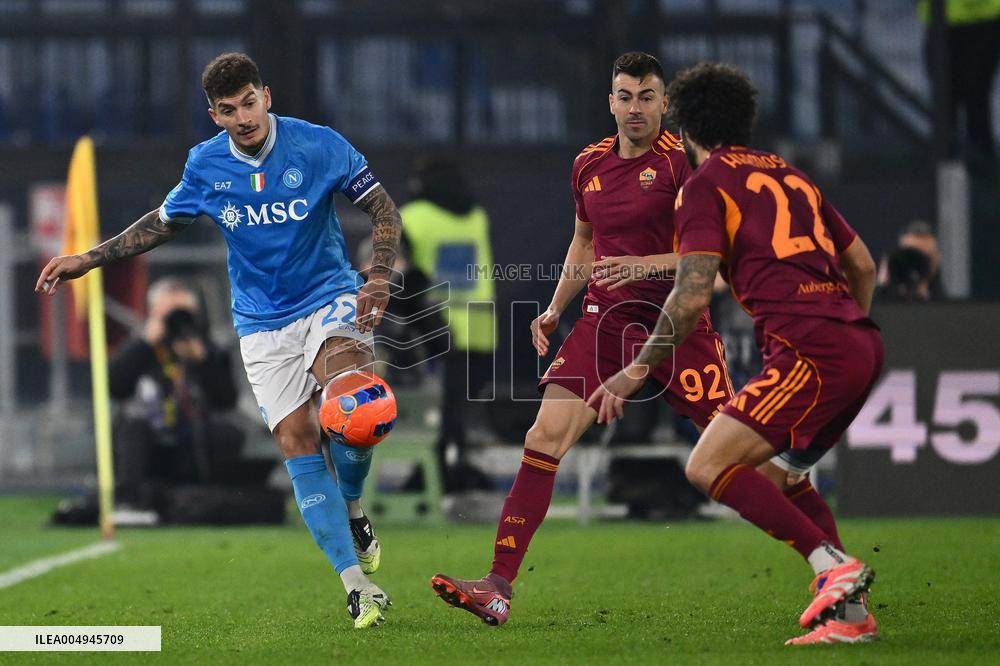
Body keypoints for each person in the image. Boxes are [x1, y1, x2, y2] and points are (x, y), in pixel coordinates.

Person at [35, 52, 401, 629]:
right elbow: (162, 222)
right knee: (298, 442)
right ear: (214, 115)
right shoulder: (205, 165)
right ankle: (357, 584)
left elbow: (382, 208)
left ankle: (353, 505)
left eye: (250, 103)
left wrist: (377, 276)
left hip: (329, 296)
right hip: (260, 324)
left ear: (266, 96)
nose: (243, 118)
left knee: (357, 402)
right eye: (229, 110)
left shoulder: (317, 145)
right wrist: (89, 258)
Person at [429, 52, 734, 626]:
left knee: (740, 452)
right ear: (610, 101)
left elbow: (714, 261)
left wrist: (643, 265)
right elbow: (585, 243)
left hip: (677, 324)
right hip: (605, 323)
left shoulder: (685, 163)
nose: (635, 108)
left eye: (647, 97)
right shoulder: (588, 164)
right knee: (543, 436)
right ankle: (497, 586)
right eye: (625, 96)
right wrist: (554, 308)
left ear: (665, 103)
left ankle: (829, 561)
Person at [590, 62, 882, 645]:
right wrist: (846, 324)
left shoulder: (705, 184)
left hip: (809, 352)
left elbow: (692, 295)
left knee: (706, 465)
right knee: (784, 479)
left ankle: (831, 566)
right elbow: (864, 265)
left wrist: (636, 369)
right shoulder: (793, 177)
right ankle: (852, 620)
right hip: (861, 345)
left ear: (684, 126)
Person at [399, 156, 497, 493]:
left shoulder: (412, 218)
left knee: (434, 415)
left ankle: (431, 479)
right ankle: (446, 475)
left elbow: (399, 273)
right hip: (481, 330)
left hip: (437, 333)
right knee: (459, 416)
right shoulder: (477, 217)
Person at [109, 277, 241, 508]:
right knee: (130, 429)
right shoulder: (139, 347)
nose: (175, 321)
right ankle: (129, 502)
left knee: (228, 434)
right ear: (152, 314)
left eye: (183, 314)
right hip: (149, 434)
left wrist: (203, 362)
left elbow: (226, 401)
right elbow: (115, 387)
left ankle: (213, 499)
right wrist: (145, 345)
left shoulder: (208, 349)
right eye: (168, 315)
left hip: (193, 434)